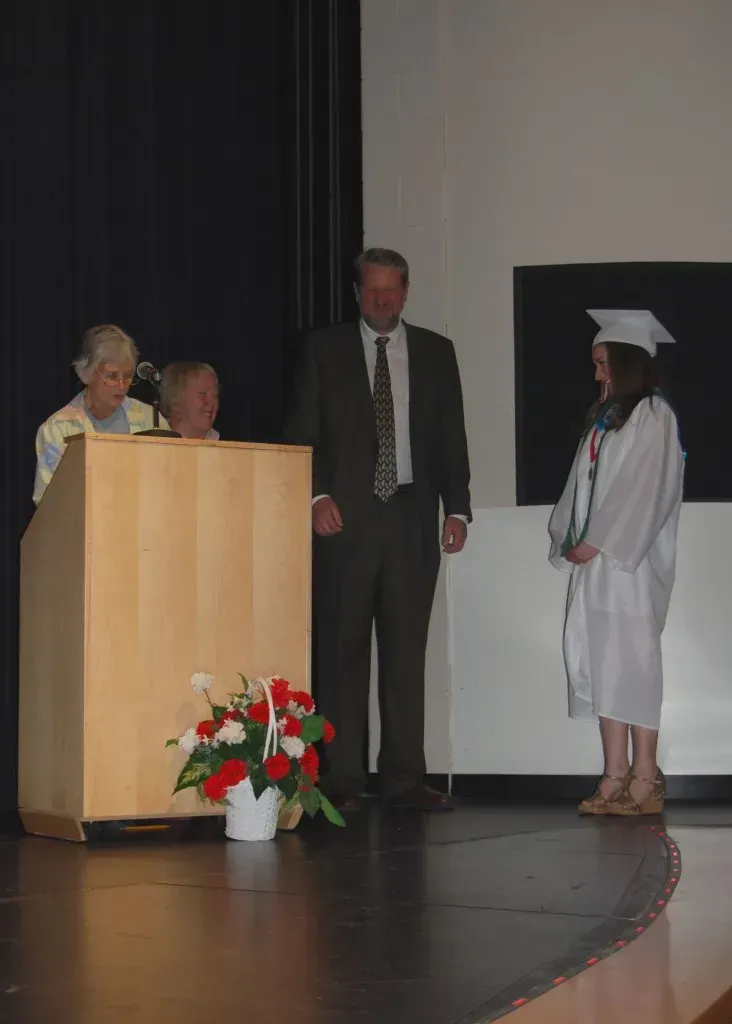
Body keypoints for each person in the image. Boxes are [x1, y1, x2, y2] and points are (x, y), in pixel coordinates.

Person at [285, 247, 471, 812]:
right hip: (344, 520)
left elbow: (450, 436)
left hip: (413, 516)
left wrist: (458, 509)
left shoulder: (437, 352)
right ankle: (341, 782)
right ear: (356, 293)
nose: (382, 300)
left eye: (391, 290)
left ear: (407, 290)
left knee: (405, 654)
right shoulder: (323, 349)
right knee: (340, 654)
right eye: (372, 291)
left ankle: (403, 780)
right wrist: (314, 495)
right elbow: (301, 431)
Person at [548, 309, 684, 816]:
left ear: (627, 363)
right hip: (597, 566)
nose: (597, 374)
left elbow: (648, 490)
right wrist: (570, 538)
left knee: (635, 663)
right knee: (604, 662)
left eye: (603, 363)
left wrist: (600, 540)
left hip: (628, 566)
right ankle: (614, 774)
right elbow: (578, 491)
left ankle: (646, 777)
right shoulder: (603, 423)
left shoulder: (655, 416)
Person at [33, 324, 165, 505]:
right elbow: (47, 504)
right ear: (84, 374)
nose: (121, 385)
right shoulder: (57, 429)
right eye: (112, 376)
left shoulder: (151, 419)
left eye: (127, 376)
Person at [160, 362, 220, 439]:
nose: (211, 402)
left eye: (215, 395)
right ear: (175, 402)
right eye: (203, 393)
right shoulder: (153, 445)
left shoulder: (228, 449)